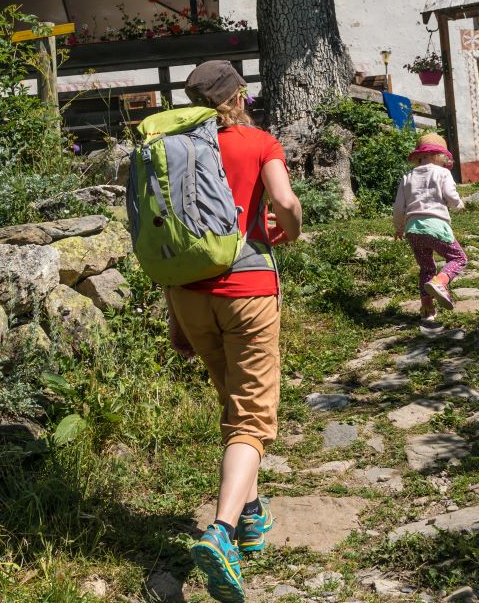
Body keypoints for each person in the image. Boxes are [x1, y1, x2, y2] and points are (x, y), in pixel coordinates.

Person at [167, 60, 302, 603]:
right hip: (247, 289)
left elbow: (170, 230)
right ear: (239, 95)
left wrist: (175, 313)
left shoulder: (174, 147)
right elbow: (285, 202)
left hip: (188, 293)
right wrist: (289, 231)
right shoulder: (258, 141)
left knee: (232, 402)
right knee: (252, 415)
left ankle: (250, 514)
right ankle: (221, 532)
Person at [392, 132, 466, 320]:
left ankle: (427, 311)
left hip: (413, 229)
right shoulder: (442, 173)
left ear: (418, 156)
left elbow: (398, 207)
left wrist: (399, 228)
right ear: (441, 156)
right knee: (458, 258)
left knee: (426, 267)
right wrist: (458, 205)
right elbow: (450, 194)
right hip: (436, 225)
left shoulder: (407, 176)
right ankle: (441, 282)